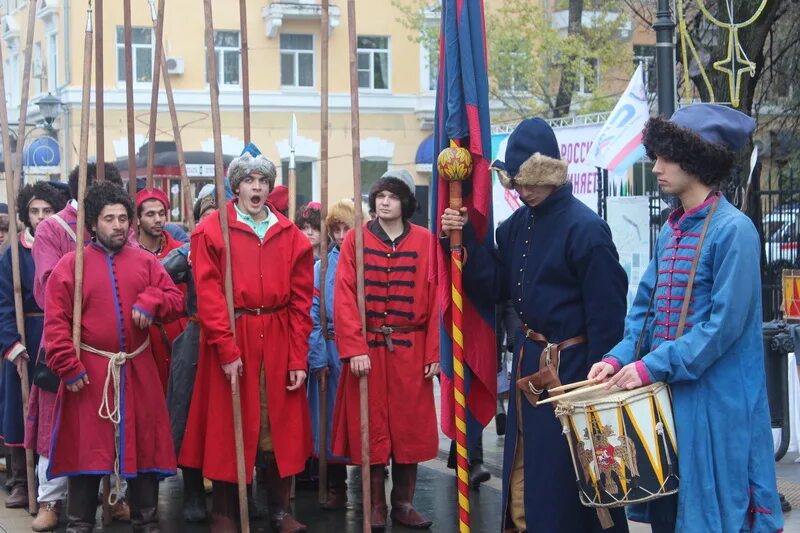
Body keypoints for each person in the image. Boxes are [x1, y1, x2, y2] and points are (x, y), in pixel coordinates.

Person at [588, 104, 783, 533]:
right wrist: (619, 358)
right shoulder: (671, 229)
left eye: (665, 157)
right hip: (670, 399)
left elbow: (720, 330)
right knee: (669, 514)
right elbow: (644, 313)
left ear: (696, 160)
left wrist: (649, 366)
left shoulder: (735, 231)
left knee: (715, 516)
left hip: (716, 404)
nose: (655, 167)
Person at [440, 117, 629, 532]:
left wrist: (600, 385)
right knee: (526, 479)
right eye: (518, 184)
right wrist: (463, 240)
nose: (523, 192)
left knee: (577, 484)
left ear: (552, 175)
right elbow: (493, 288)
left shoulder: (587, 230)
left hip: (578, 373)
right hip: (530, 369)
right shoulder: (513, 228)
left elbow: (608, 316)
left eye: (532, 183)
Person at [179, 145, 313, 533]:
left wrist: (298, 358)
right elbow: (208, 293)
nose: (256, 188)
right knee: (229, 429)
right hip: (233, 335)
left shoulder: (291, 237)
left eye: (263, 181)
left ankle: (278, 510)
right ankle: (226, 512)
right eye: (249, 181)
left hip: (277, 336)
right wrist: (225, 346)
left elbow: (302, 304)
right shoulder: (211, 231)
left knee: (276, 430)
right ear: (236, 187)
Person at [44, 181, 184, 532]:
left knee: (146, 454)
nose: (119, 225)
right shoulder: (69, 266)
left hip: (139, 371)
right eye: (110, 218)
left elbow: (175, 300)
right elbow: (56, 325)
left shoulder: (147, 263)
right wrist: (67, 366)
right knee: (85, 455)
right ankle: (79, 525)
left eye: (123, 218)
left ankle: (146, 523)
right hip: (89, 376)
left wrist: (152, 301)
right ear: (93, 223)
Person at [332, 172, 439, 530]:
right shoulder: (356, 242)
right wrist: (354, 346)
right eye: (379, 196)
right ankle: (375, 504)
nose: (384, 202)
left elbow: (439, 300)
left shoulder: (425, 242)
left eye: (392, 196)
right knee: (371, 428)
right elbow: (343, 296)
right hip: (369, 350)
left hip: (411, 351)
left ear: (405, 202)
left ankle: (403, 503)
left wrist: (433, 354)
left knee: (408, 430)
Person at [28, 163, 133, 523]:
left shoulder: (117, 224)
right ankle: (51, 501)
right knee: (58, 426)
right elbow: (46, 287)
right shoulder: (52, 228)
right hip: (66, 343)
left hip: (110, 351)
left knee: (114, 424)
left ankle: (114, 497)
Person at [0, 182, 65, 528]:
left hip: (56, 336)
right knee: (24, 411)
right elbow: (4, 303)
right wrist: (12, 343)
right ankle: (24, 482)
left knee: (56, 413)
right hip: (28, 337)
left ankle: (54, 489)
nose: (40, 218)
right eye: (34, 211)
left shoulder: (65, 246)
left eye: (47, 211)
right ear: (25, 214)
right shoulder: (13, 253)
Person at [162, 191, 217, 523]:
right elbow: (155, 275)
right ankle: (194, 490)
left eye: (218, 212)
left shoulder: (238, 248)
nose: (211, 219)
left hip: (237, 339)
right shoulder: (188, 251)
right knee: (189, 416)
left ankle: (237, 493)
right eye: (206, 213)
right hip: (197, 338)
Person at [307, 199, 356, 510]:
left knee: (363, 420)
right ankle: (337, 486)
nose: (340, 236)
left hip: (362, 352)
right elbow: (313, 313)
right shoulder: (321, 267)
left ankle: (376, 493)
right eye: (334, 230)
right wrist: (318, 356)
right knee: (330, 422)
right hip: (332, 348)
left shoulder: (370, 261)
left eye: (345, 228)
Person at [135, 188, 188, 393]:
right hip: (145, 340)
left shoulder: (181, 251)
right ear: (138, 219)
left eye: (161, 213)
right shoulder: (129, 254)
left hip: (177, 339)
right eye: (150, 214)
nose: (158, 219)